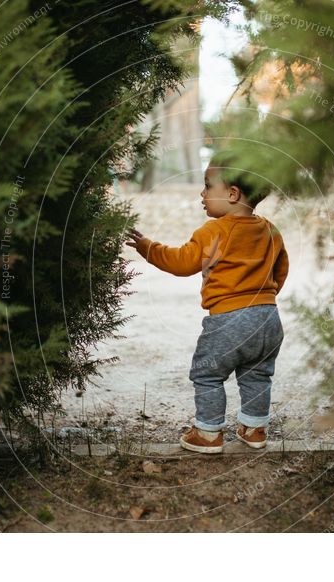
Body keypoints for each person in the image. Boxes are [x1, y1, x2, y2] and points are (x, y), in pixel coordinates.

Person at [126, 155, 288, 453]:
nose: (201, 194)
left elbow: (181, 262)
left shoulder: (213, 232)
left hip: (229, 319)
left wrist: (148, 248)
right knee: (257, 373)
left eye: (206, 186)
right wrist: (264, 301)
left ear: (232, 194)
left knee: (207, 372)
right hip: (269, 318)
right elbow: (280, 270)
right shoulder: (270, 230)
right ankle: (254, 429)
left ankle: (209, 433)